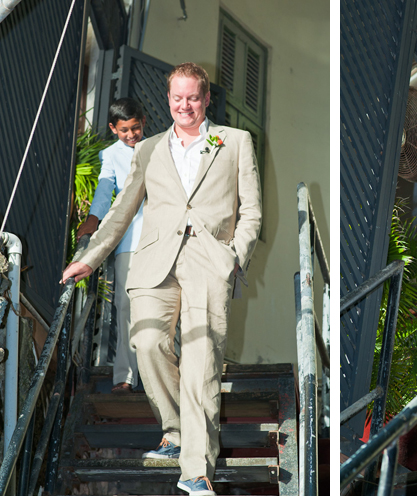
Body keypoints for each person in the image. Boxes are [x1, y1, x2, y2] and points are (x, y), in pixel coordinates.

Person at [62, 62, 262, 495]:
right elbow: (122, 209)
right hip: (154, 264)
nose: (185, 105)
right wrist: (92, 258)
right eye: (177, 98)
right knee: (147, 345)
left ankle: (195, 471)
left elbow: (252, 210)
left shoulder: (236, 141)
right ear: (168, 101)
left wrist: (234, 256)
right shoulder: (149, 148)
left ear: (206, 99)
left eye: (193, 97)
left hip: (209, 262)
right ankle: (174, 428)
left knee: (201, 362)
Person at [77, 97, 146, 394]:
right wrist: (93, 218)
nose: (131, 135)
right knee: (125, 306)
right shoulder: (110, 155)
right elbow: (105, 190)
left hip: (164, 239)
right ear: (113, 129)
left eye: (136, 128)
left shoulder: (159, 147)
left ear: (143, 122)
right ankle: (125, 378)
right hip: (129, 241)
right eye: (124, 130)